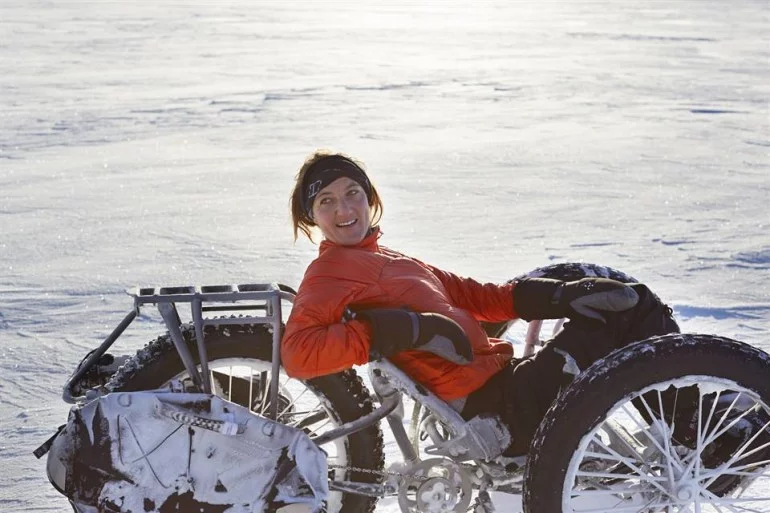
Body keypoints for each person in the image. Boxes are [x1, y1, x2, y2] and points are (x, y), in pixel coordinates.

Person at [280, 150, 684, 457]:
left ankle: (685, 424)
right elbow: (299, 353)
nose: (345, 209)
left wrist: (563, 295)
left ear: (370, 199)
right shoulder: (330, 272)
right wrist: (399, 330)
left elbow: (479, 297)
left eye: (352, 193)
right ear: (312, 216)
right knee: (628, 314)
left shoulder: (390, 260)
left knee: (617, 303)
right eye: (327, 201)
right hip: (497, 414)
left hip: (506, 383)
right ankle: (692, 430)